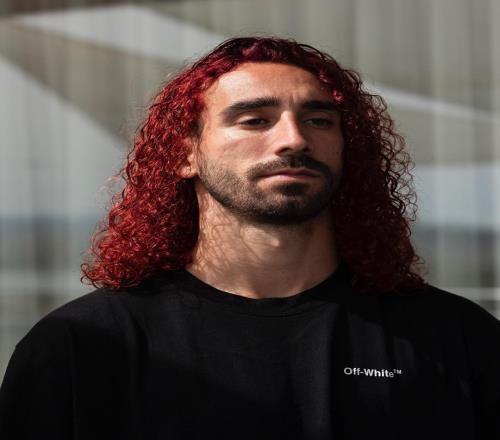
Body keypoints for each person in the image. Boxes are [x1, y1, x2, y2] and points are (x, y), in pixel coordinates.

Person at [0, 36, 499, 440]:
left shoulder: (455, 339)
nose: (294, 139)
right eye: (254, 120)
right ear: (186, 153)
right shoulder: (84, 347)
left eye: (319, 120)